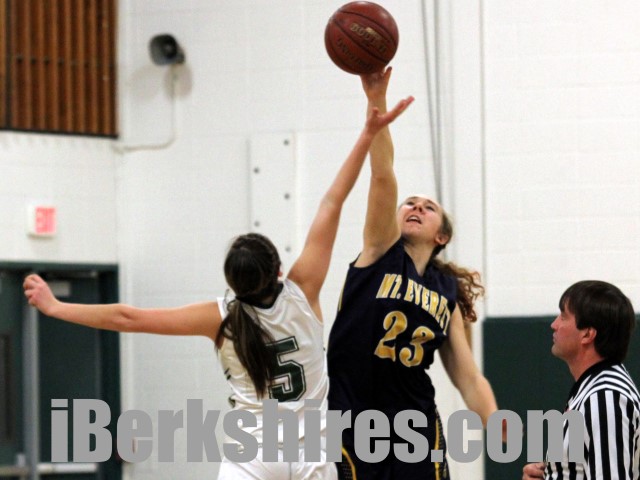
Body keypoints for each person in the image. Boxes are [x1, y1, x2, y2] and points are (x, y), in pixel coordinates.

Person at [22, 94, 414, 480]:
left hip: (253, 453)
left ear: (232, 283)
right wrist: (367, 134)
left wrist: (56, 307)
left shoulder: (219, 317)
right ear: (279, 270)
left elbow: (127, 318)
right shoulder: (303, 289)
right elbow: (332, 202)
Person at [327, 67, 499, 480]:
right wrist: (377, 101)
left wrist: (496, 422)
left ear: (442, 236)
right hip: (355, 421)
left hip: (415, 426)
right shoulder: (379, 252)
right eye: (410, 203)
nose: (416, 207)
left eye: (428, 207)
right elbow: (382, 176)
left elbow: (468, 377)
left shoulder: (446, 292)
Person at [522, 280, 640, 480]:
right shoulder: (593, 389)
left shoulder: (605, 396)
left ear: (587, 334)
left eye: (563, 316)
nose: (554, 325)